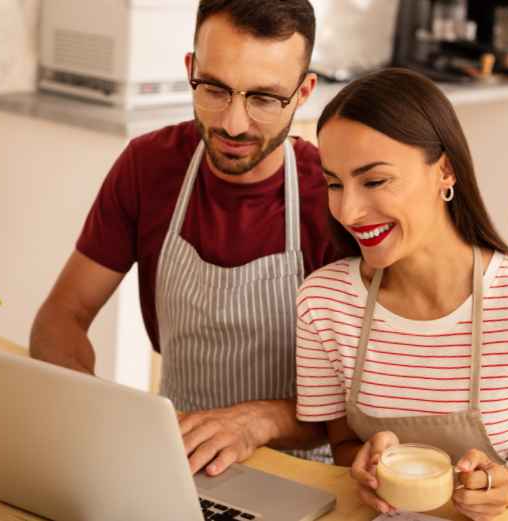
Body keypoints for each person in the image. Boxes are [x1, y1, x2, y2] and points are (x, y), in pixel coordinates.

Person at [295, 68, 508, 521]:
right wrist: (365, 461)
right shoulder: (324, 302)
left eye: (374, 181)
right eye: (335, 183)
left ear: (445, 170)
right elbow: (342, 445)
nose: (349, 210)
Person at [31, 0, 347, 477]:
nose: (233, 123)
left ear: (303, 93)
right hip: (178, 463)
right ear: (190, 69)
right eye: (214, 89)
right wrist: (92, 402)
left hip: (303, 474)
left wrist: (259, 421)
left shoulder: (335, 199)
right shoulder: (148, 167)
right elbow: (62, 315)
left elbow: (364, 400)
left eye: (264, 98)